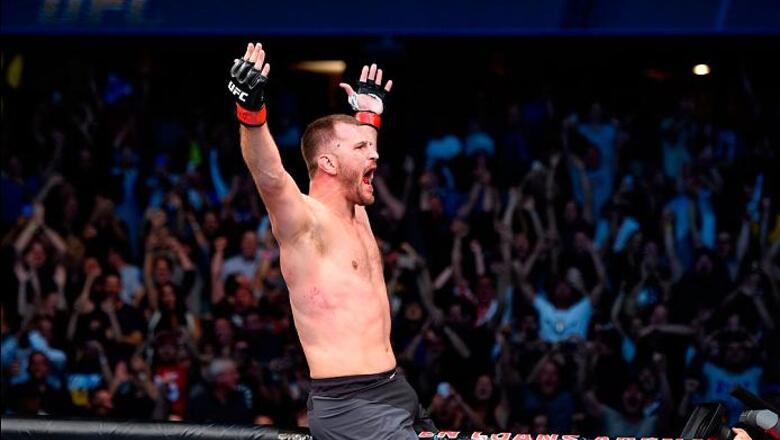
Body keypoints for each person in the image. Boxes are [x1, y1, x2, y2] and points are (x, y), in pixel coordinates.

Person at [226, 42, 435, 438]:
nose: (374, 155)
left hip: (394, 386)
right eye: (361, 148)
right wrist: (251, 111)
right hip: (351, 403)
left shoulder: (357, 210)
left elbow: (362, 157)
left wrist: (367, 117)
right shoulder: (305, 223)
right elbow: (269, 177)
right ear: (327, 163)